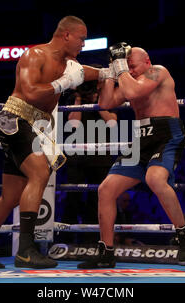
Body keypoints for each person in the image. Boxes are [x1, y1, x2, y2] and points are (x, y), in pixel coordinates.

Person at [0, 16, 102, 269]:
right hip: (17, 118)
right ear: (66, 35)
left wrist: (109, 71)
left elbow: (86, 73)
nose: (84, 44)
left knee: (10, 196)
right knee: (40, 172)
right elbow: (30, 92)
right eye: (81, 38)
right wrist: (63, 83)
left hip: (38, 126)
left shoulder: (70, 62)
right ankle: (27, 250)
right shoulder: (35, 55)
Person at [77, 44, 185, 269]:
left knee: (155, 179)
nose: (129, 70)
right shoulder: (128, 79)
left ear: (147, 62)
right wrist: (109, 73)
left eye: (132, 65)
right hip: (140, 137)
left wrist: (120, 67)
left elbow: (133, 92)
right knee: (106, 190)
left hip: (166, 133)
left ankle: (184, 238)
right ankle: (106, 252)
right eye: (126, 65)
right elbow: (105, 103)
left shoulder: (158, 71)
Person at [61, 73, 117, 244]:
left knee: (97, 199)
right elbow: (73, 125)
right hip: (77, 156)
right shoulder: (74, 99)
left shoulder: (108, 98)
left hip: (101, 157)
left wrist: (98, 102)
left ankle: (93, 241)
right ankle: (66, 240)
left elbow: (112, 123)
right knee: (72, 198)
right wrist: (78, 98)